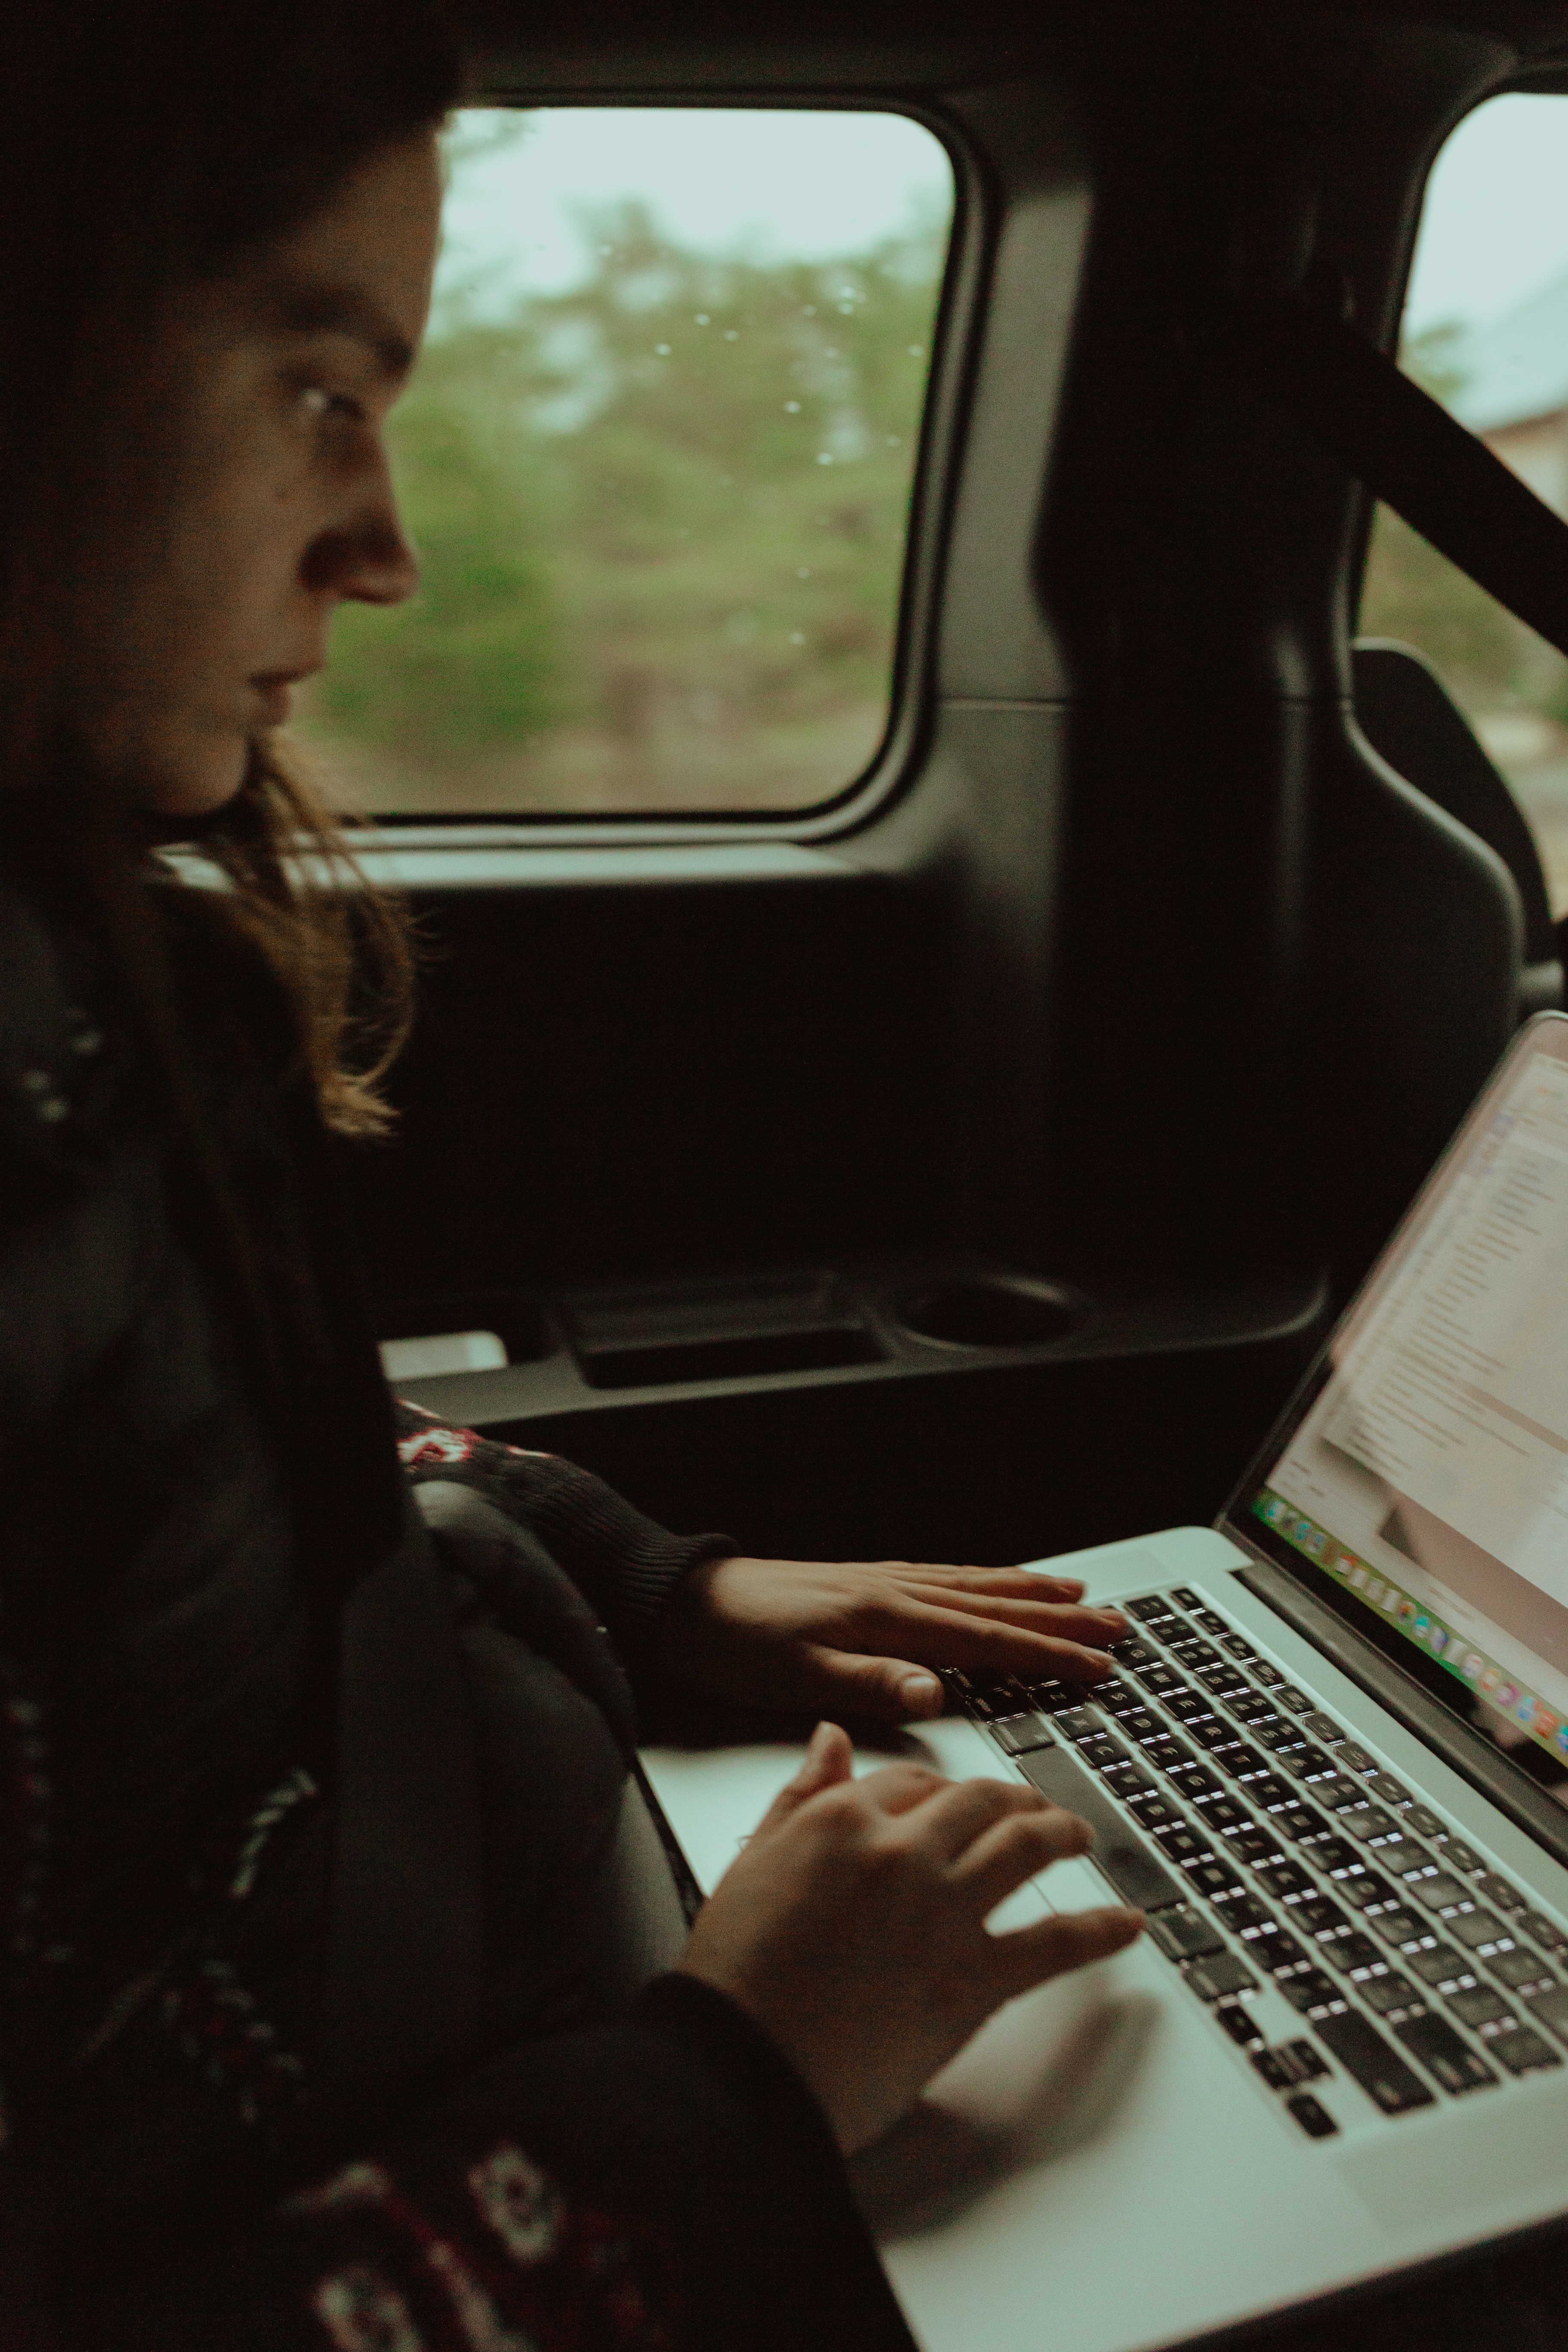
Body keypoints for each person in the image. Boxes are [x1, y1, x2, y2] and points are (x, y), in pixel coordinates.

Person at [0, 6, 1146, 2344]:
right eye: (326, 390)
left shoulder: (93, 1013)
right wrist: (728, 2084)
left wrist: (643, 1578)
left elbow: (251, 1504)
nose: (390, 550)